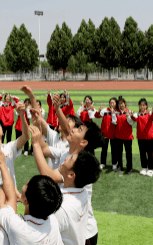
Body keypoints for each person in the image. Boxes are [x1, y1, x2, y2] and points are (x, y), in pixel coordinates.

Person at [30, 92, 103, 245]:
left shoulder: (79, 165)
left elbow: (48, 174)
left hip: (85, 233)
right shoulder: (67, 152)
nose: (74, 130)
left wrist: (36, 143)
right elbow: (45, 150)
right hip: (73, 224)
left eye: (79, 130)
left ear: (83, 143)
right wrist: (37, 125)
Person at [0, 142, 63, 244]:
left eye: (28, 186)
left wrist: (2, 165)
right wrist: (23, 199)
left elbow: (1, 202)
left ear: (27, 201)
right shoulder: (52, 221)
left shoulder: (18, 226)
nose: (27, 182)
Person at [131, 98, 153, 177]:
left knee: (150, 153)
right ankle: (144, 168)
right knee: (142, 153)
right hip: (141, 137)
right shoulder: (137, 114)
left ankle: (150, 169)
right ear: (139, 106)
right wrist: (131, 115)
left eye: (144, 105)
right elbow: (134, 119)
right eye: (141, 105)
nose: (142, 106)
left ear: (146, 106)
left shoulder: (149, 113)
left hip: (149, 137)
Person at [112, 96, 135, 174]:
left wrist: (129, 116)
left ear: (125, 103)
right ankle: (120, 166)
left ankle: (129, 168)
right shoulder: (117, 112)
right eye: (119, 103)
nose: (121, 105)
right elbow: (115, 122)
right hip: (118, 136)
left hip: (128, 136)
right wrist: (112, 115)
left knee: (128, 153)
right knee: (119, 153)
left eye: (122, 103)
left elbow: (131, 123)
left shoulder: (129, 111)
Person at [94, 97, 118, 170]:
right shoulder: (105, 110)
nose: (111, 104)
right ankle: (102, 163)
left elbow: (117, 122)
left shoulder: (117, 111)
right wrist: (99, 111)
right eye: (110, 102)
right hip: (105, 133)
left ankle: (114, 164)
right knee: (104, 149)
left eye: (113, 102)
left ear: (116, 103)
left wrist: (113, 112)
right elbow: (97, 116)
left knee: (114, 150)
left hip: (113, 134)